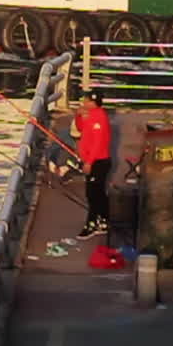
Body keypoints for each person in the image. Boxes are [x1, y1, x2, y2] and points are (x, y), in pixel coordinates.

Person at [75, 89, 112, 240]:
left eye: (86, 99)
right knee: (98, 193)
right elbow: (80, 128)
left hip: (98, 162)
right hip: (91, 160)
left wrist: (89, 162)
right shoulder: (90, 115)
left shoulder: (99, 118)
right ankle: (104, 220)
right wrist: (78, 115)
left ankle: (91, 224)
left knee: (92, 194)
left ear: (92, 102)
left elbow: (98, 142)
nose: (83, 101)